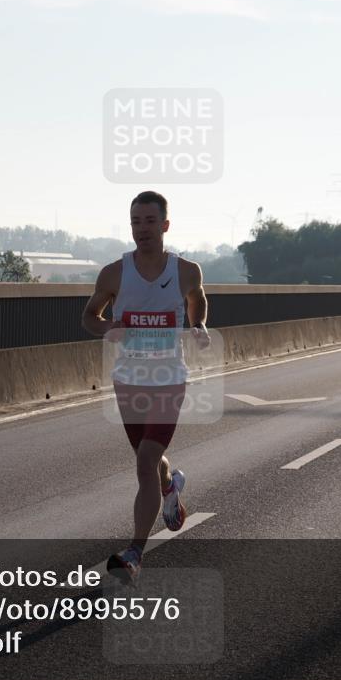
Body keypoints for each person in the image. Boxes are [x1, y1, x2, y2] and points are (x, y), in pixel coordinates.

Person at [82, 191, 210, 585]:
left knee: (144, 460)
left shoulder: (186, 270)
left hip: (169, 380)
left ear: (165, 225)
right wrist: (108, 328)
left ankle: (135, 553)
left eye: (150, 221)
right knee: (150, 461)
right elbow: (90, 316)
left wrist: (198, 324)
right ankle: (170, 486)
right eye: (136, 221)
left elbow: (197, 300)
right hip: (129, 381)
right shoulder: (114, 274)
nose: (142, 229)